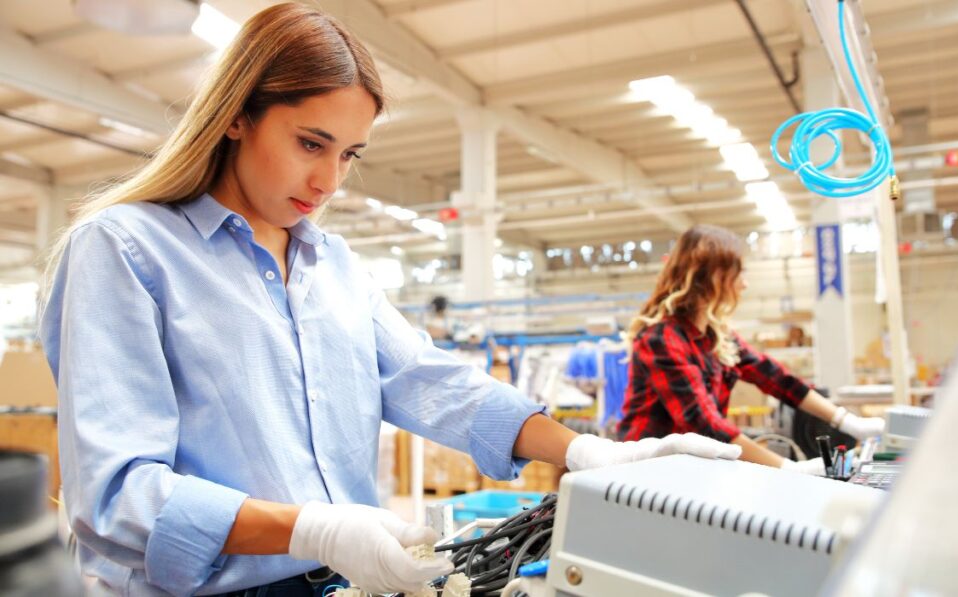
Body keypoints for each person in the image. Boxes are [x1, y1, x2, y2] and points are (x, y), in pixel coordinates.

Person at [38, 5, 741, 596]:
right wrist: (310, 526)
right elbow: (116, 494)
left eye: (350, 154)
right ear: (236, 117)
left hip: (338, 578)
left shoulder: (330, 263)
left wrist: (584, 449)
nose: (328, 180)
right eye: (311, 142)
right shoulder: (125, 250)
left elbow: (425, 379)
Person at [617, 225, 884, 474]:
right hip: (648, 473)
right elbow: (703, 423)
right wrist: (788, 468)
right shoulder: (661, 339)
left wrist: (848, 422)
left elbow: (776, 378)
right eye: (739, 273)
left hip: (688, 467)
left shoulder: (714, 336)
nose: (744, 284)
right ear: (713, 275)